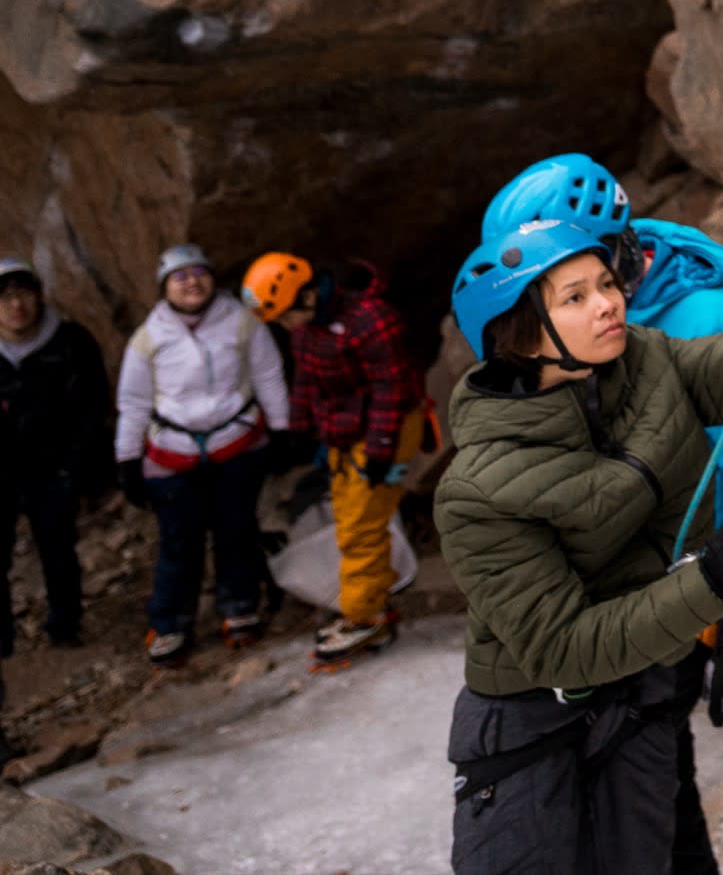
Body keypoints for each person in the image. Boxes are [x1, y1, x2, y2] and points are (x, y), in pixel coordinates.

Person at [437, 167, 723, 875]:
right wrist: (709, 585)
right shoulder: (478, 491)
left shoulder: (650, 362)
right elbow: (562, 648)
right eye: (577, 296)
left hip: (645, 690)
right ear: (519, 333)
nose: (610, 305)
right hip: (540, 723)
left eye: (607, 283)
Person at [478, 157, 723, 759]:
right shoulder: (585, 324)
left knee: (646, 779)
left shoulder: (711, 320)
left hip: (680, 588)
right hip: (608, 595)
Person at [250, 251, 428, 666]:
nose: (282, 326)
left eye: (283, 316)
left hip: (389, 426)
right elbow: (307, 380)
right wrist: (297, 430)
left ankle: (364, 615)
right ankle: (373, 600)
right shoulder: (307, 328)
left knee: (362, 525)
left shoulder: (371, 320)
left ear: (307, 297)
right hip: (347, 430)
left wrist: (382, 450)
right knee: (348, 517)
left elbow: (391, 389)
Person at [114, 243, 289, 663]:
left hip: (237, 445)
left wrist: (282, 429)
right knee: (179, 542)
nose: (191, 282)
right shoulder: (148, 338)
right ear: (164, 289)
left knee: (237, 530)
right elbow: (134, 403)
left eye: (199, 273)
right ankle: (171, 623)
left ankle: (240, 608)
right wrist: (126, 459)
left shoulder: (242, 323)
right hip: (173, 455)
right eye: (180, 277)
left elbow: (268, 375)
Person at [0, 257, 108, 655]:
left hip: (54, 465)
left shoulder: (70, 342)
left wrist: (74, 464)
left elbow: (94, 404)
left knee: (59, 550)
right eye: (5, 297)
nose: (16, 306)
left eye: (23, 294)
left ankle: (65, 628)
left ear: (39, 296)